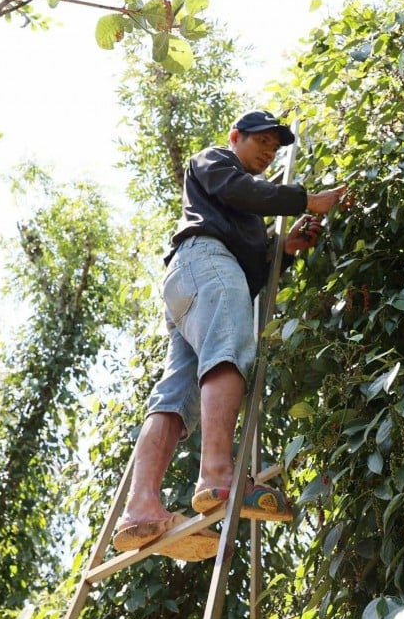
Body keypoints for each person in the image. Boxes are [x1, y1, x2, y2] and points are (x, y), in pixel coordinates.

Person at [113, 109, 346, 560]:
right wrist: (308, 200)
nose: (268, 151)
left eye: (275, 149)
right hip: (206, 263)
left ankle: (140, 507)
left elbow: (252, 269)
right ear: (236, 136)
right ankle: (217, 477)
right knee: (229, 349)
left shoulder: (242, 214)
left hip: (194, 282)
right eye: (262, 140)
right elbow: (242, 193)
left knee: (175, 394)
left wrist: (285, 248)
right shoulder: (214, 160)